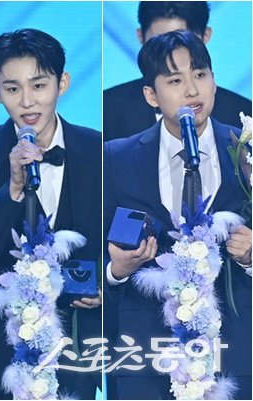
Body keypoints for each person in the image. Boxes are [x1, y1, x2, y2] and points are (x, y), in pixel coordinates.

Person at [0, 28, 102, 399]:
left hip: (76, 347)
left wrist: (104, 283)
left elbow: (115, 240)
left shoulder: (100, 150)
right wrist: (12, 190)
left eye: (38, 85)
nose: (27, 101)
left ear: (62, 83)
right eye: (12, 88)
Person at [103, 30, 251, 399]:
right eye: (175, 80)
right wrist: (116, 269)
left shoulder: (246, 150)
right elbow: (91, 249)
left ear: (214, 81)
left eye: (200, 74)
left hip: (236, 349)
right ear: (151, 95)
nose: (192, 90)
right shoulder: (116, 157)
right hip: (147, 353)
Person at [103, 1, 252, 141]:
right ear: (141, 36)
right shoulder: (107, 110)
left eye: (184, 39)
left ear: (206, 35)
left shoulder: (244, 115)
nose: (173, 54)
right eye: (160, 43)